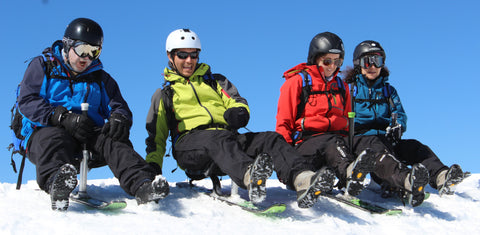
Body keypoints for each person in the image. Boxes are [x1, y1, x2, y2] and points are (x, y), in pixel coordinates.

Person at [146, 28, 336, 209]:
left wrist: (238, 112)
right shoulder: (165, 94)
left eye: (193, 55)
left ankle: (302, 179)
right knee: (217, 139)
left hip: (226, 140)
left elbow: (237, 101)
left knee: (270, 139)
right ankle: (251, 176)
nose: (189, 60)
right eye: (182, 55)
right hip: (190, 147)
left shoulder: (215, 81)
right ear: (170, 57)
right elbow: (156, 138)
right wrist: (153, 171)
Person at [18, 18, 169, 211]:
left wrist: (119, 118)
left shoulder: (101, 79)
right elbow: (27, 100)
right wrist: (60, 117)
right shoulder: (43, 67)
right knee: (52, 138)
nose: (87, 58)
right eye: (82, 50)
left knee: (113, 141)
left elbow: (120, 106)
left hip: (86, 132)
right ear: (67, 44)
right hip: (48, 129)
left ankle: (143, 185)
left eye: (94, 52)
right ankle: (58, 183)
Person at [343, 40, 465, 200]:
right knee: (379, 152)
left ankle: (442, 176)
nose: (372, 66)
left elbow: (399, 114)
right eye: (368, 62)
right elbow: (339, 115)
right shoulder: (349, 89)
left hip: (386, 138)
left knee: (415, 147)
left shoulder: (388, 91)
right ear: (359, 64)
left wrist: (398, 126)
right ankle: (406, 180)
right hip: (362, 141)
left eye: (377, 61)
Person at [275, 32, 377, 197]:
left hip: (335, 148)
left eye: (338, 62)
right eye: (327, 61)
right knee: (330, 140)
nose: (332, 66)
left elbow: (346, 124)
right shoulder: (297, 82)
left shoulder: (342, 86)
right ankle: (350, 174)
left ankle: (394, 179)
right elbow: (283, 123)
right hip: (305, 147)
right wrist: (286, 163)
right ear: (315, 59)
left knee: (367, 140)